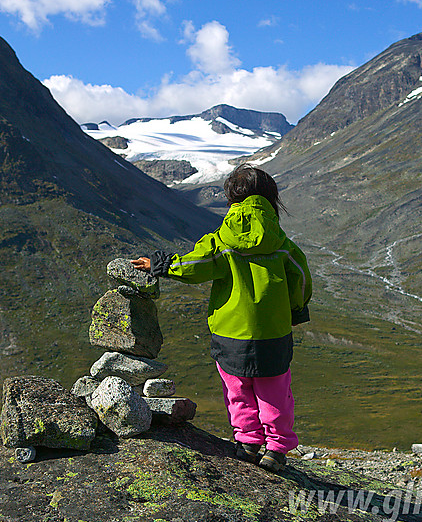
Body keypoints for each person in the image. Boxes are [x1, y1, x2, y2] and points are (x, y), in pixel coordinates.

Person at [132, 163, 312, 472]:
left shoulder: (221, 242)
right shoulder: (283, 245)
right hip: (274, 334)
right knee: (274, 391)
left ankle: (247, 443)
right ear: (270, 200)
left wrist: (161, 265)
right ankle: (277, 450)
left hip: (230, 334)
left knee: (238, 390)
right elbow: (302, 280)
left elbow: (195, 265)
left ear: (231, 202)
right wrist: (296, 309)